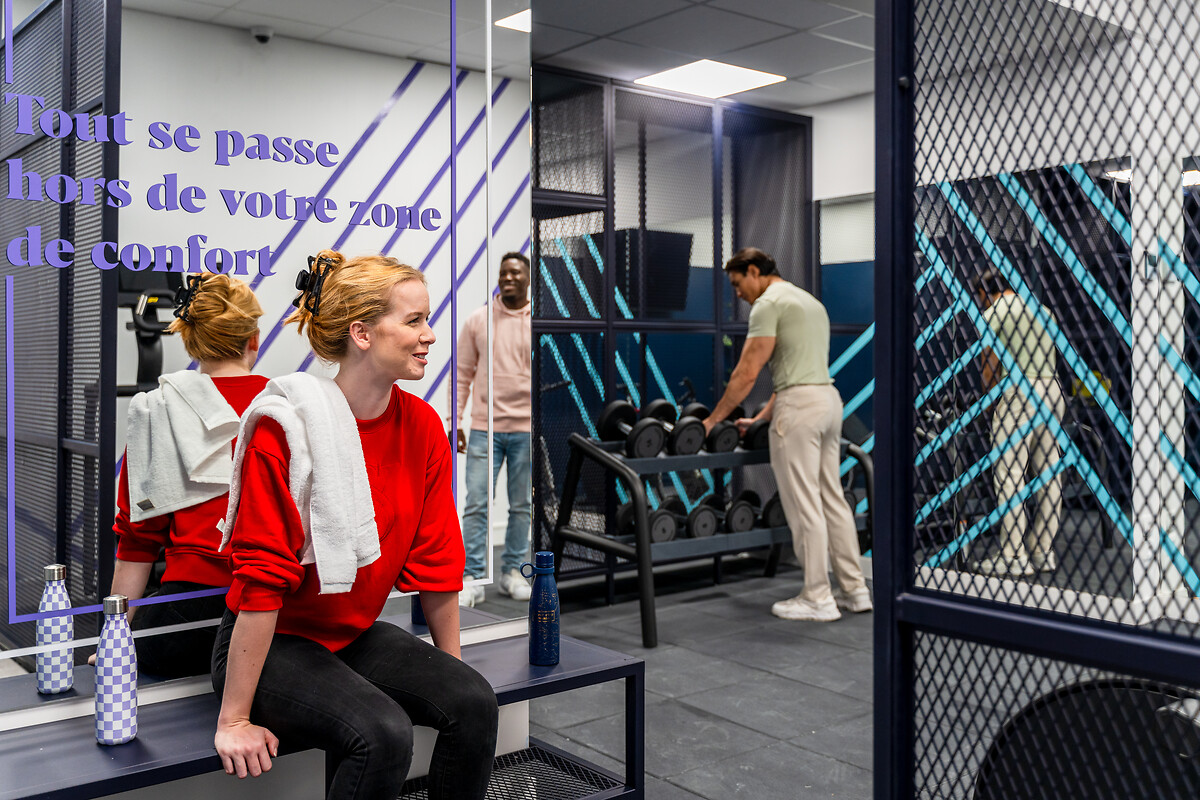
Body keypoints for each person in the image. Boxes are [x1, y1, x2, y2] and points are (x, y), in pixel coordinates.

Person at [212, 250, 498, 799]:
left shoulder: (421, 426)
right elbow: (262, 581)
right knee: (383, 733)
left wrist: (452, 677)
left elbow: (438, 563)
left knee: (474, 700)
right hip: (275, 644)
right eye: (414, 321)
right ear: (362, 333)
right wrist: (234, 720)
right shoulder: (286, 430)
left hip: (353, 633)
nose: (430, 335)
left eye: (426, 319)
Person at [701, 247, 871, 622]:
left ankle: (817, 597)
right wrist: (761, 418)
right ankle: (855, 590)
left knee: (803, 503)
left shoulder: (768, 304)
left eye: (737, 283)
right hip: (828, 402)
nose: (738, 294)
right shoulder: (809, 303)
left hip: (800, 411)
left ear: (753, 271)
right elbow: (798, 368)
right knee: (832, 499)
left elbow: (747, 372)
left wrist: (712, 421)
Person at [110, 272, 266, 678]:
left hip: (185, 621)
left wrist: (114, 642)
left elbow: (137, 540)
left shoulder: (156, 412)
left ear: (190, 339)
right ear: (254, 339)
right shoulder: (287, 407)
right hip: (274, 610)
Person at [450, 251, 532, 606]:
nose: (508, 277)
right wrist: (456, 421)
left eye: (515, 272)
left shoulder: (538, 322)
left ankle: (513, 572)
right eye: (503, 273)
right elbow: (462, 374)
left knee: (521, 505)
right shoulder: (478, 320)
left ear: (528, 278)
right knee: (477, 504)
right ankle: (472, 576)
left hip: (526, 429)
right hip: (485, 428)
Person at [974, 267, 1063, 576]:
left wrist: (990, 402)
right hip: (1052, 390)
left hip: (1019, 392)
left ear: (985, 293)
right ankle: (1043, 551)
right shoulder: (1043, 310)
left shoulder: (995, 312)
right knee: (1048, 473)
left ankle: (1013, 556)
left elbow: (989, 363)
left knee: (1010, 475)